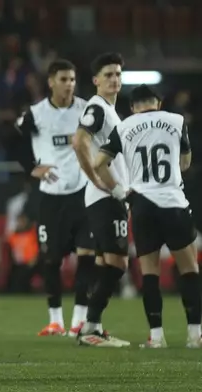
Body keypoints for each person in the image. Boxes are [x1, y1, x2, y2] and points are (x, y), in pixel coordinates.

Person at [93, 84, 201, 348]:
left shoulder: (124, 126)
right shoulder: (177, 121)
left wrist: (120, 191)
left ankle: (156, 337)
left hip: (142, 205)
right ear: (158, 103)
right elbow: (185, 163)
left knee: (150, 274)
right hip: (173, 202)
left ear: (133, 107)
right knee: (189, 270)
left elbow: (98, 163)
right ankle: (195, 335)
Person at [13, 59, 96, 337]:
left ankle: (79, 320)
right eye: (63, 79)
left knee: (87, 257)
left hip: (83, 194)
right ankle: (56, 320)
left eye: (72, 79)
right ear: (51, 82)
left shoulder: (87, 110)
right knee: (50, 260)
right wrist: (32, 168)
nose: (69, 84)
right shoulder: (36, 114)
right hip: (50, 196)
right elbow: (13, 139)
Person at [72, 52, 130, 347]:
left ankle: (91, 327)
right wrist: (96, 179)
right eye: (108, 74)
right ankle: (91, 328)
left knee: (105, 262)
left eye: (118, 74)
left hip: (107, 197)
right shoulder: (98, 107)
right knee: (119, 264)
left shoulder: (111, 111)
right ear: (96, 80)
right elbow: (79, 141)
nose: (114, 79)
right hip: (105, 197)